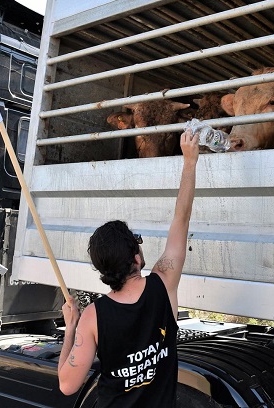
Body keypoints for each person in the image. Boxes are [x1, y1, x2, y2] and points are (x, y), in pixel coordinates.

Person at [58, 130, 200, 406]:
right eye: (138, 241)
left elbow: (67, 385)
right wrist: (189, 162)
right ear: (136, 257)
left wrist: (71, 329)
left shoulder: (93, 316)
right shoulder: (164, 282)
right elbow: (181, 218)